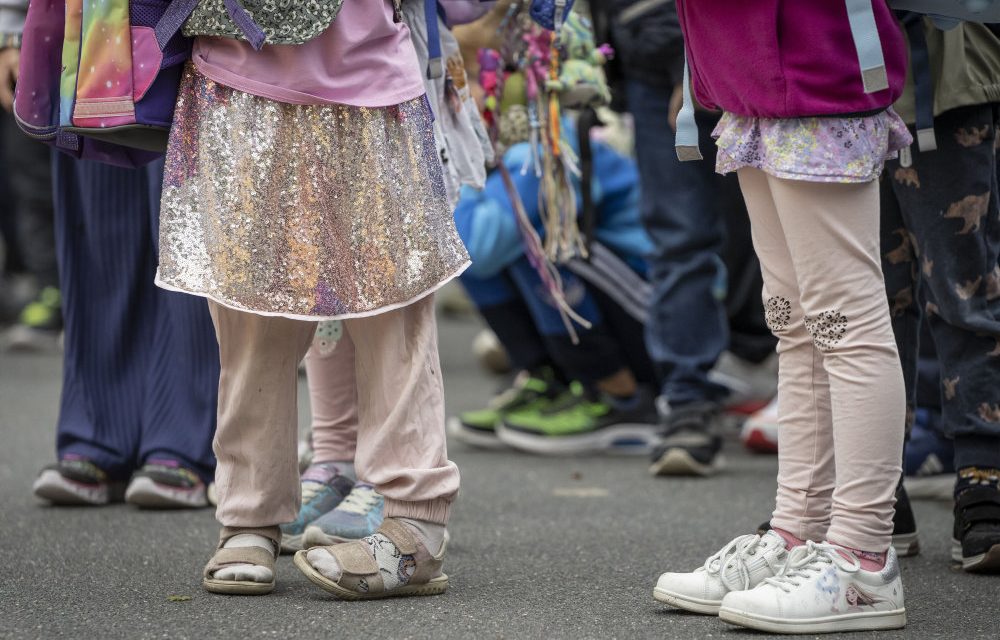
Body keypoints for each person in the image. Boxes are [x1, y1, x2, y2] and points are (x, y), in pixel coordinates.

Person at [155, 1, 467, 598]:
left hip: (370, 80)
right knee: (249, 321)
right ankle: (248, 515)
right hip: (238, 74)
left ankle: (415, 521)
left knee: (393, 315)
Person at [652, 1, 910, 633]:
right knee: (795, 327)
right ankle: (799, 532)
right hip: (748, 70)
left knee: (844, 326)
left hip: (812, 64)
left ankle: (862, 558)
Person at [278, 0, 495, 555]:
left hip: (390, 90)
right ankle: (332, 459)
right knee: (319, 291)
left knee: (385, 290)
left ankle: (385, 474)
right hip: (293, 89)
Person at [1, 0, 219, 509]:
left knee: (186, 223)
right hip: (92, 16)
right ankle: (100, 433)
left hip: (201, 18)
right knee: (99, 226)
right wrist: (13, 26)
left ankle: (185, 441)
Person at [605, 0, 776, 477]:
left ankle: (777, 379)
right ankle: (686, 399)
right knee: (678, 236)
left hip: (732, 37)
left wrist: (694, 56)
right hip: (647, 42)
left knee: (772, 231)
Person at [451, 120, 659, 455]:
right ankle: (552, 380)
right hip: (621, 306)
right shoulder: (509, 140)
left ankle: (621, 396)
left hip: (656, 320)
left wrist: (460, 172)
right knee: (467, 259)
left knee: (536, 246)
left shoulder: (546, 140)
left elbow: (477, 245)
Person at [880, 15, 1000, 572]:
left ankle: (982, 472)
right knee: (860, 306)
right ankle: (874, 488)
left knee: (964, 290)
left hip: (943, 74)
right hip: (827, 92)